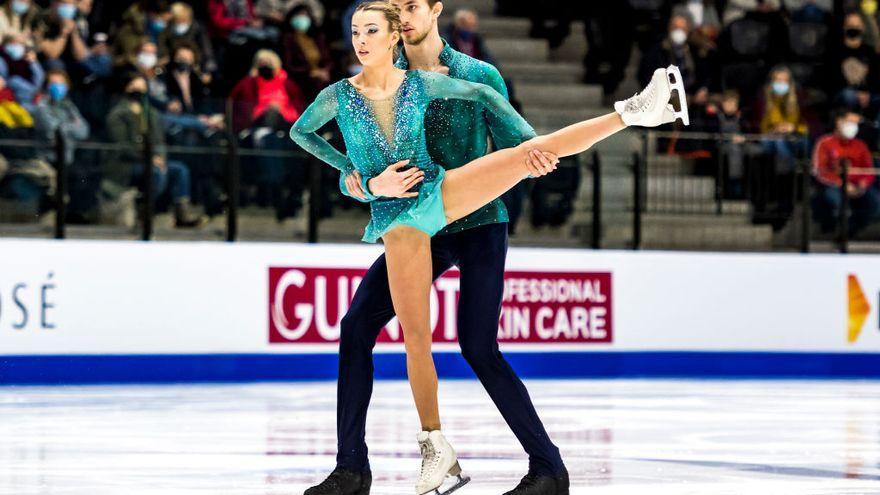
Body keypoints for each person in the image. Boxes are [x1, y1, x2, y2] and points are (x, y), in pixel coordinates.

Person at [290, 2, 688, 494]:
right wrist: (366, 185)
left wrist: (534, 153)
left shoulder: (473, 73)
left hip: (475, 219)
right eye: (373, 22)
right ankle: (352, 467)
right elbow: (333, 153)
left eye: (408, 8)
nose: (399, 19)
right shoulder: (363, 88)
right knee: (356, 328)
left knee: (478, 346)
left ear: (432, 11)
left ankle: (548, 468)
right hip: (415, 224)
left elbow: (515, 140)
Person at [105, 74, 204, 228]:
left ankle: (182, 214)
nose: (139, 91)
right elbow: (123, 146)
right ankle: (146, 212)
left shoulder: (151, 114)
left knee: (180, 170)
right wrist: (149, 158)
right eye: (135, 87)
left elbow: (159, 141)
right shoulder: (118, 114)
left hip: (153, 161)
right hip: (126, 164)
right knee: (156, 172)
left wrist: (160, 158)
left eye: (142, 88)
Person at [812, 108, 880, 237]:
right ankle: (831, 230)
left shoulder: (860, 145)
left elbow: (868, 169)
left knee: (875, 204)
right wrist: (842, 183)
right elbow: (820, 171)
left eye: (855, 124)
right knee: (836, 201)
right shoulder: (825, 143)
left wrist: (863, 183)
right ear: (839, 122)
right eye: (850, 123)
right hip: (834, 184)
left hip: (857, 185)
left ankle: (849, 233)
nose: (853, 127)